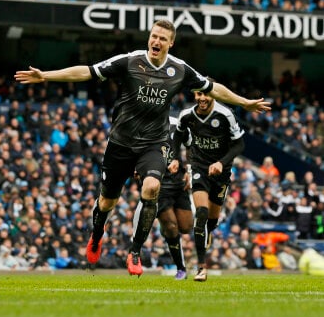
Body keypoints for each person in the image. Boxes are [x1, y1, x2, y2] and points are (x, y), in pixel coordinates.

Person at [14, 19, 270, 277]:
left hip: (153, 144)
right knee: (106, 202)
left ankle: (134, 251)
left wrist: (244, 102)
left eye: (162, 38)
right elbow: (87, 71)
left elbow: (213, 88)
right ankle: (97, 234)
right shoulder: (130, 61)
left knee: (151, 188)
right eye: (153, 36)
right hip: (121, 143)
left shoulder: (179, 69)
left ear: (171, 43)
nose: (156, 41)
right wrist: (45, 75)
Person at [171, 80, 246, 281]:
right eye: (198, 95)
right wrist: (176, 158)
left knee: (212, 220)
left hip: (221, 171)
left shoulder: (225, 114)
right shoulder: (186, 115)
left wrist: (221, 163)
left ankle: (209, 230)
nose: (202, 98)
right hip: (199, 167)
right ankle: (201, 267)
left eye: (206, 94)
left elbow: (239, 145)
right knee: (201, 213)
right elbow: (177, 136)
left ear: (213, 95)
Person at [155, 116, 193, 280]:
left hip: (179, 183)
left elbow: (192, 145)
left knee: (185, 227)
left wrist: (190, 171)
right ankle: (181, 269)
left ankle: (166, 230)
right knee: (171, 227)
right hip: (159, 184)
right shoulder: (143, 124)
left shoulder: (178, 124)